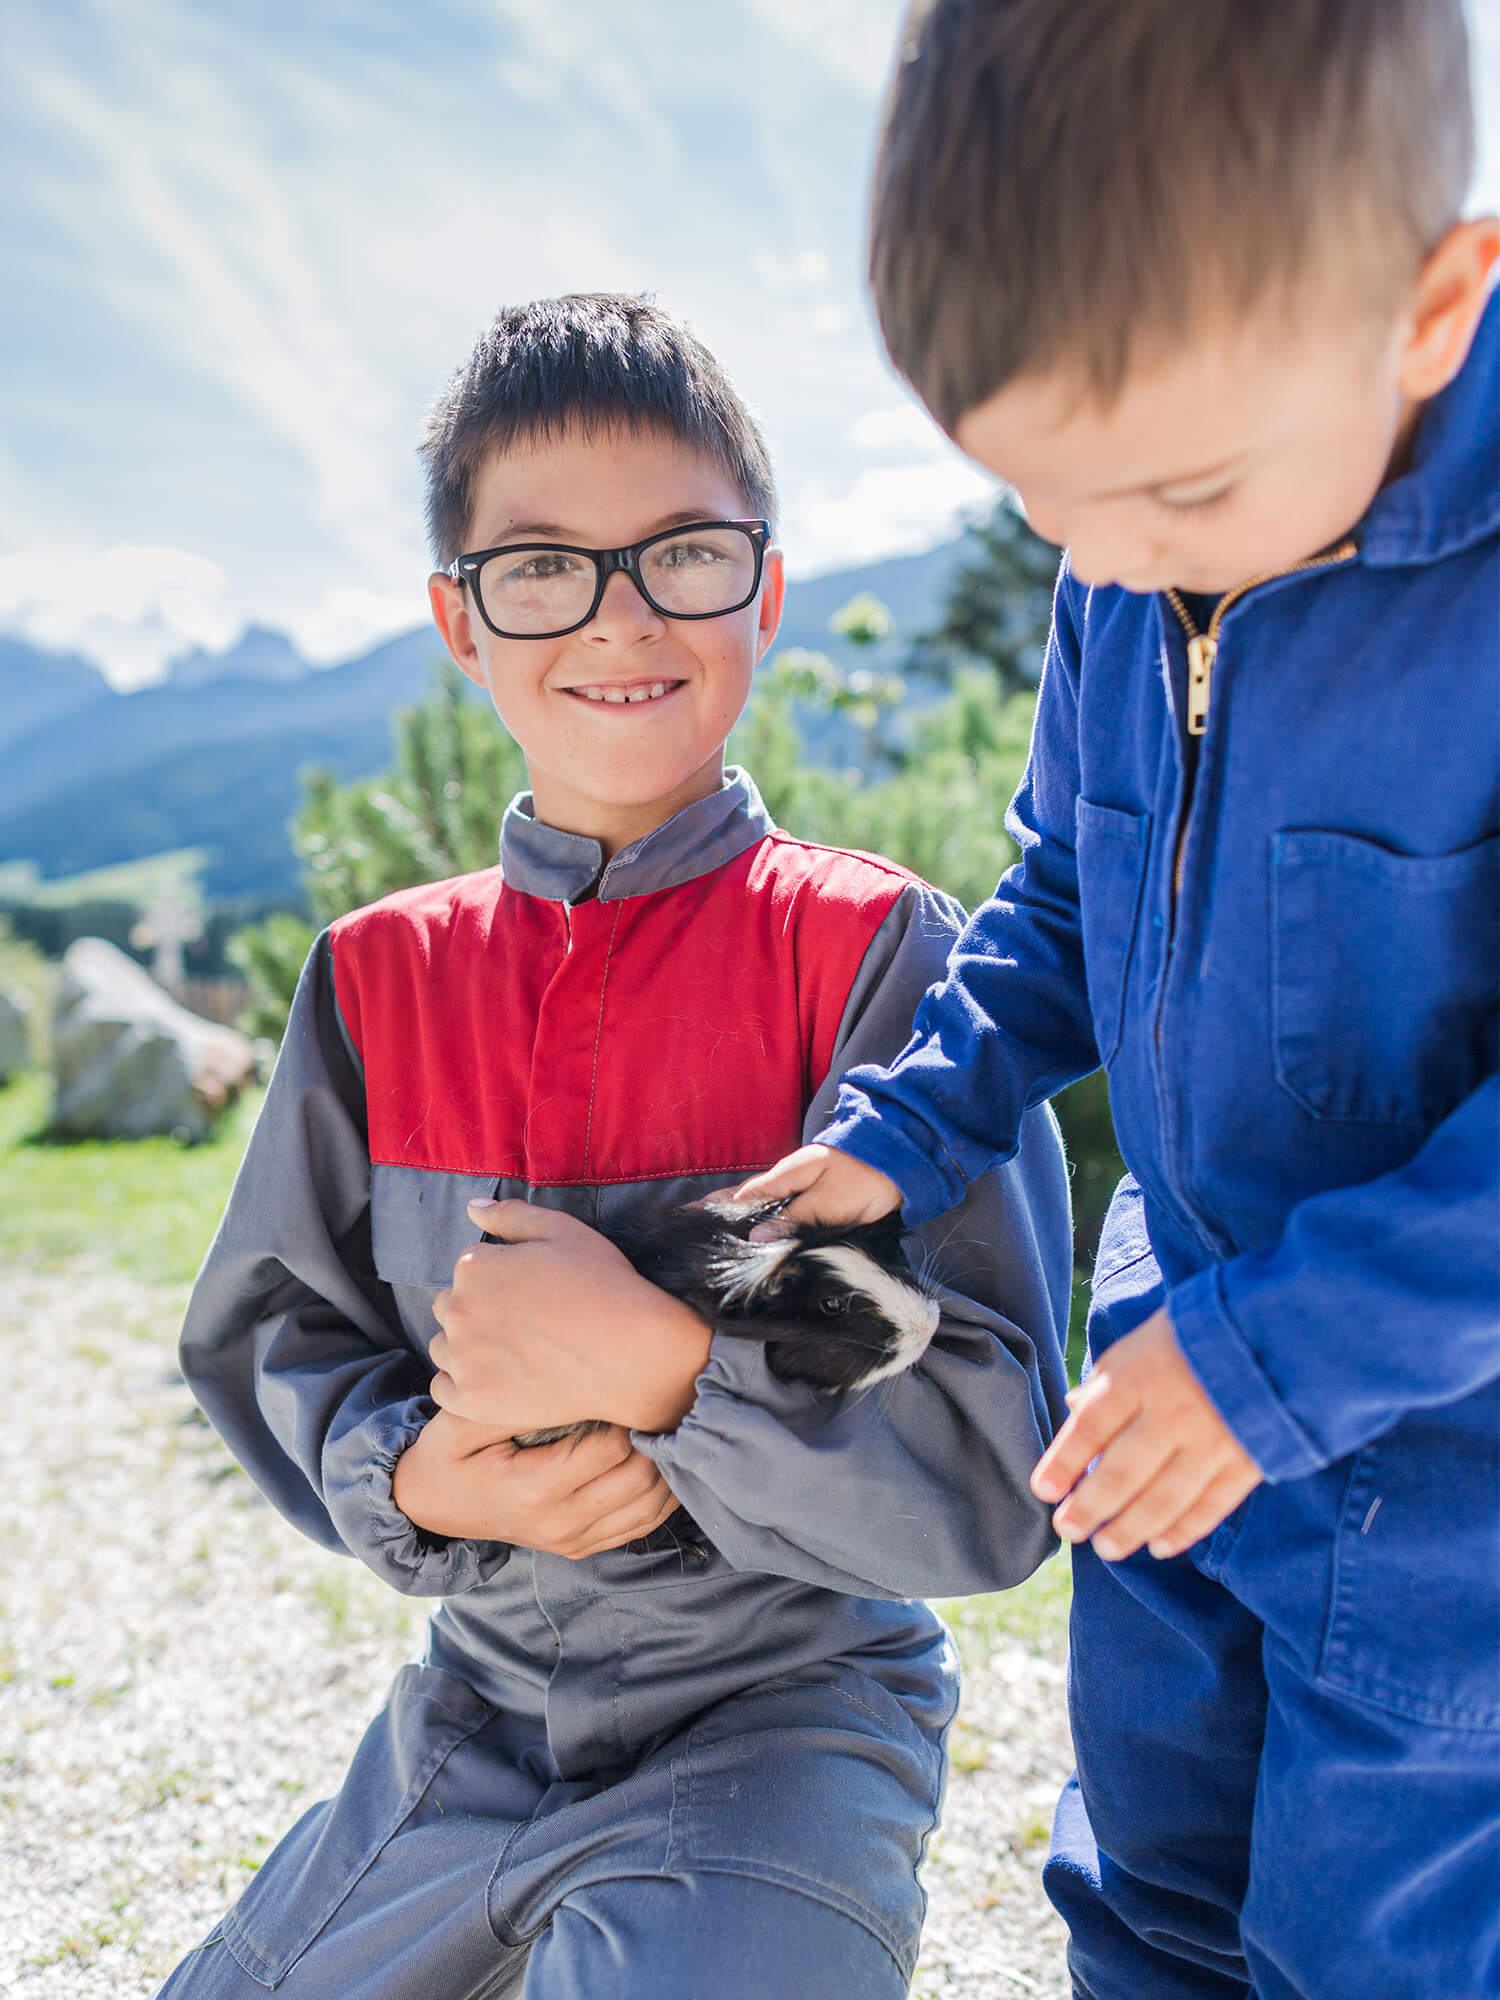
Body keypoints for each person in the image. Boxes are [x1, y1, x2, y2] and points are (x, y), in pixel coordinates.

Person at [158, 293, 1073, 2000]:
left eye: (682, 555)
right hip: (472, 1722)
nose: (620, 615)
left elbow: (995, 1483)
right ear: (459, 619)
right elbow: (283, 1346)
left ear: (768, 588)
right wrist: (407, 1478)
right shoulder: (377, 980)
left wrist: (670, 1374)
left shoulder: (883, 963)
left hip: (785, 1725)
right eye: (542, 567)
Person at [735, 5, 1500, 1996]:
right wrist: (909, 1126)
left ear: (1430, 315)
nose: (1093, 557)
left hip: (1452, 1496)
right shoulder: (1122, 561)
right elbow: (1070, 894)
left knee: (1369, 1949)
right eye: (1035, 497)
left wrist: (1280, 1359)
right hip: (1160, 1397)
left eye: (1166, 491)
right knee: (1144, 1892)